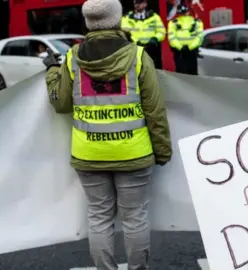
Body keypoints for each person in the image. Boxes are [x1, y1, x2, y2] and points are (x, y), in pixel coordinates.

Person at [43, 0, 172, 268]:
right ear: (118, 19)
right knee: (134, 217)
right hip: (134, 154)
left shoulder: (72, 59)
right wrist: (162, 150)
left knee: (99, 218)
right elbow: (155, 111)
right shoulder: (137, 57)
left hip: (89, 154)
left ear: (89, 23)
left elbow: (61, 103)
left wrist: (52, 73)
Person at [121, 0, 166, 69]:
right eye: (136, 2)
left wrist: (155, 39)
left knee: (151, 71)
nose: (137, 4)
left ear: (145, 4)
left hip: (151, 49)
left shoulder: (154, 16)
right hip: (134, 49)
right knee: (135, 71)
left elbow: (161, 31)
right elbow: (126, 32)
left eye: (140, 2)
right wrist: (136, 42)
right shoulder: (127, 17)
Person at [168, 4, 203, 75]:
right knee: (193, 74)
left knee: (181, 76)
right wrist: (190, 47)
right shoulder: (197, 22)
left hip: (180, 52)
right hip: (191, 52)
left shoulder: (173, 22)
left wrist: (181, 47)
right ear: (188, 11)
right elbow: (199, 38)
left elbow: (172, 38)